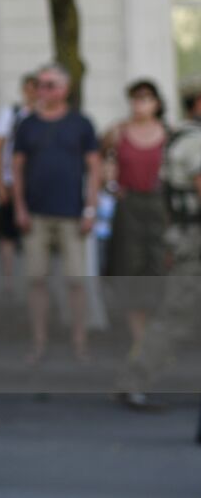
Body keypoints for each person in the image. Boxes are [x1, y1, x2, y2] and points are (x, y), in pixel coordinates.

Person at [117, 87, 201, 410]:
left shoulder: (180, 136)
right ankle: (134, 379)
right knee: (176, 314)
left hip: (186, 235)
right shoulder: (193, 141)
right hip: (195, 239)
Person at [12, 63, 101, 362]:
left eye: (49, 84)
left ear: (64, 89)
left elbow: (95, 169)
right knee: (36, 281)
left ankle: (80, 341)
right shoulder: (27, 124)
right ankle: (38, 342)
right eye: (39, 84)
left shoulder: (81, 123)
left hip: (72, 214)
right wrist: (20, 208)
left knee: (76, 281)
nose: (42, 90)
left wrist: (90, 209)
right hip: (35, 215)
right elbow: (17, 169)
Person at [100, 79, 169, 352]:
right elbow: (101, 159)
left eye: (146, 97)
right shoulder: (118, 132)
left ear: (157, 103)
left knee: (156, 270)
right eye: (135, 97)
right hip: (128, 208)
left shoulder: (167, 133)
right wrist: (109, 182)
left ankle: (152, 337)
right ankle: (138, 340)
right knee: (129, 269)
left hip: (158, 207)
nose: (140, 103)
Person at [0, 73, 37, 286]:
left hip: (35, 183)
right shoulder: (12, 113)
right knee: (7, 231)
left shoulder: (43, 115)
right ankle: (8, 280)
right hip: (11, 181)